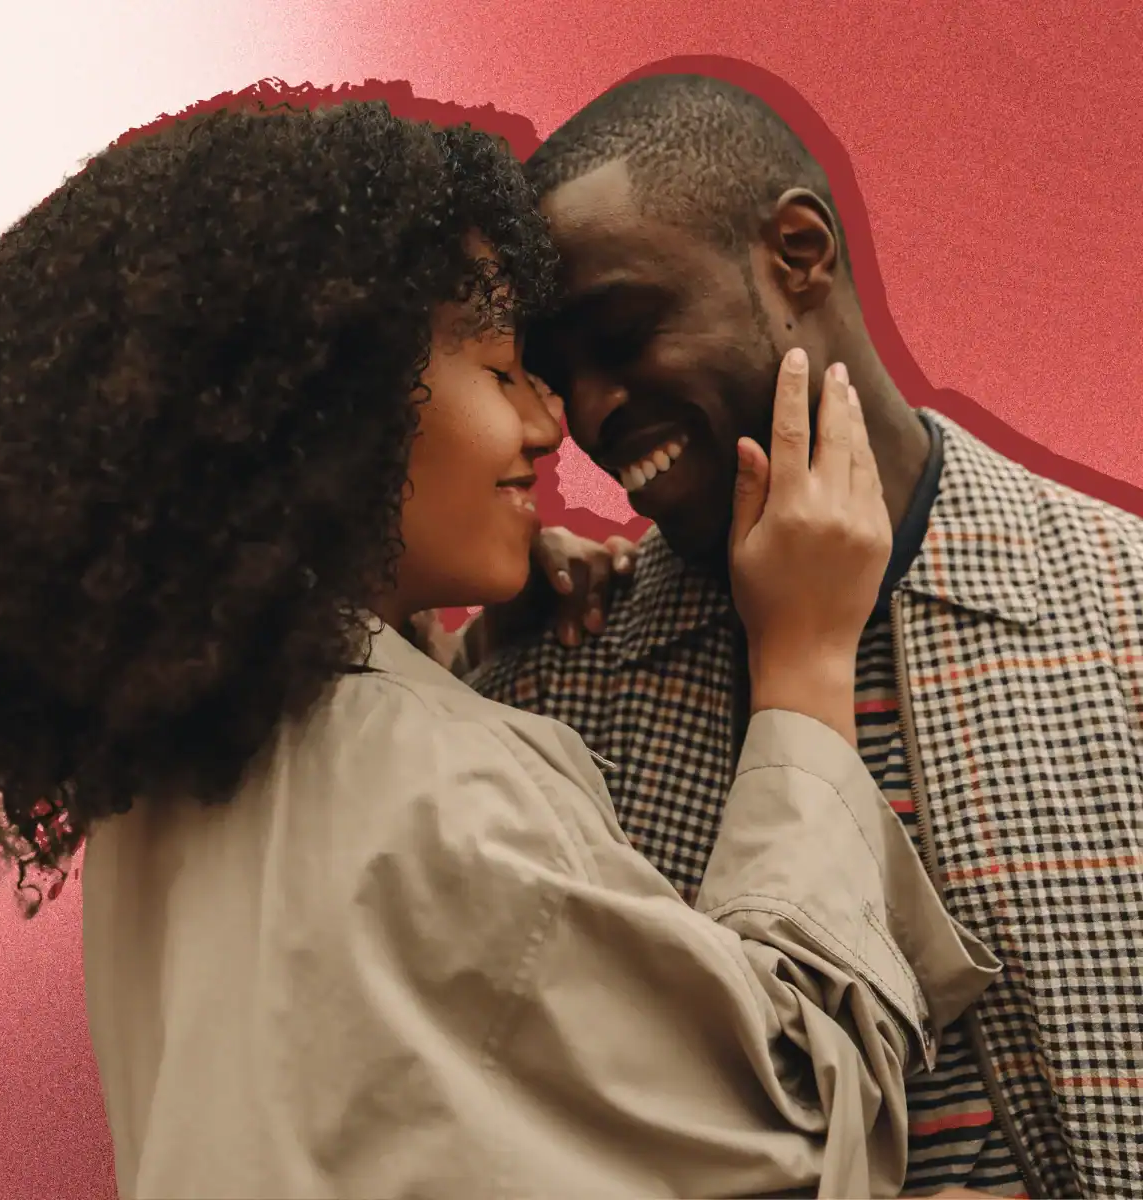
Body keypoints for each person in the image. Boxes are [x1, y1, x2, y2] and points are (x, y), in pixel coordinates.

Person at [0, 100, 994, 1200]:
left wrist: (444, 661)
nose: (551, 424)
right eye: (502, 373)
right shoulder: (444, 792)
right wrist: (805, 663)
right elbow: (799, 1117)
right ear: (336, 410)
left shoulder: (166, 791)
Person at [467, 72, 1143, 1199]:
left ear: (798, 251)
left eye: (622, 333)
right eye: (552, 372)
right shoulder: (551, 694)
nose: (586, 413)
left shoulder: (1124, 610)